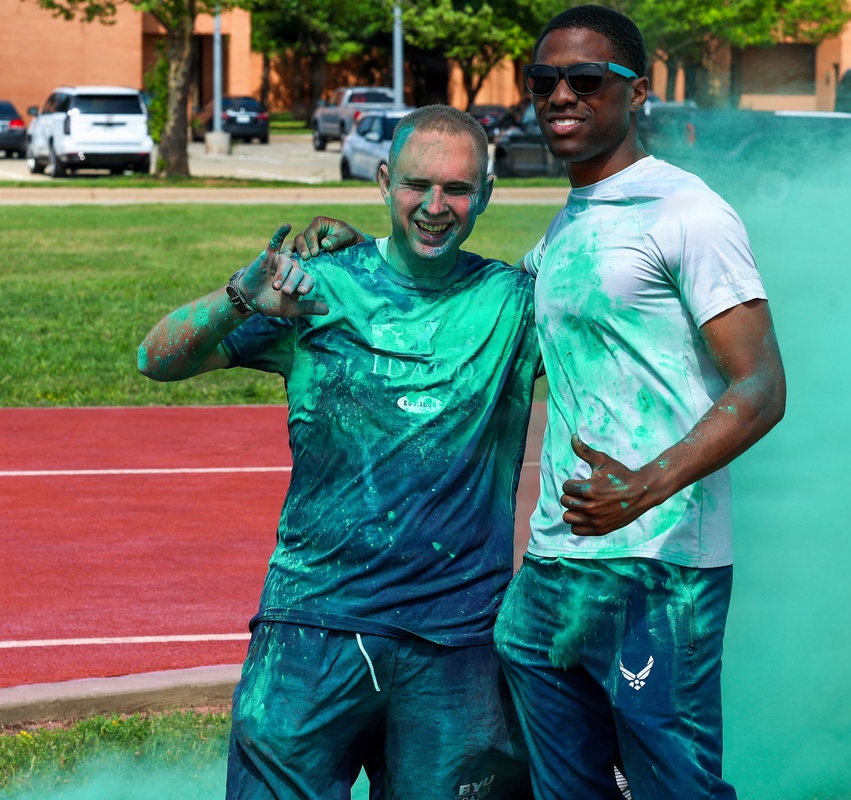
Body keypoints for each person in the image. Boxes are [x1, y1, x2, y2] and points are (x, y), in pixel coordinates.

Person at [293, 8, 786, 798]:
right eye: (544, 81)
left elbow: (761, 386)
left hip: (658, 567)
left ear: (637, 93)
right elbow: (461, 296)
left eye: (586, 80)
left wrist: (645, 484)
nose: (561, 95)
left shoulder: (688, 212)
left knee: (676, 786)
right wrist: (363, 251)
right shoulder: (564, 232)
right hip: (554, 571)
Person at [137, 105, 539, 800]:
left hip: (455, 641)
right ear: (384, 181)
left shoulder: (513, 304)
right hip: (310, 626)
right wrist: (240, 296)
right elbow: (156, 359)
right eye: (417, 185)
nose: (436, 207)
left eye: (458, 190)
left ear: (487, 195)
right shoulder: (314, 289)